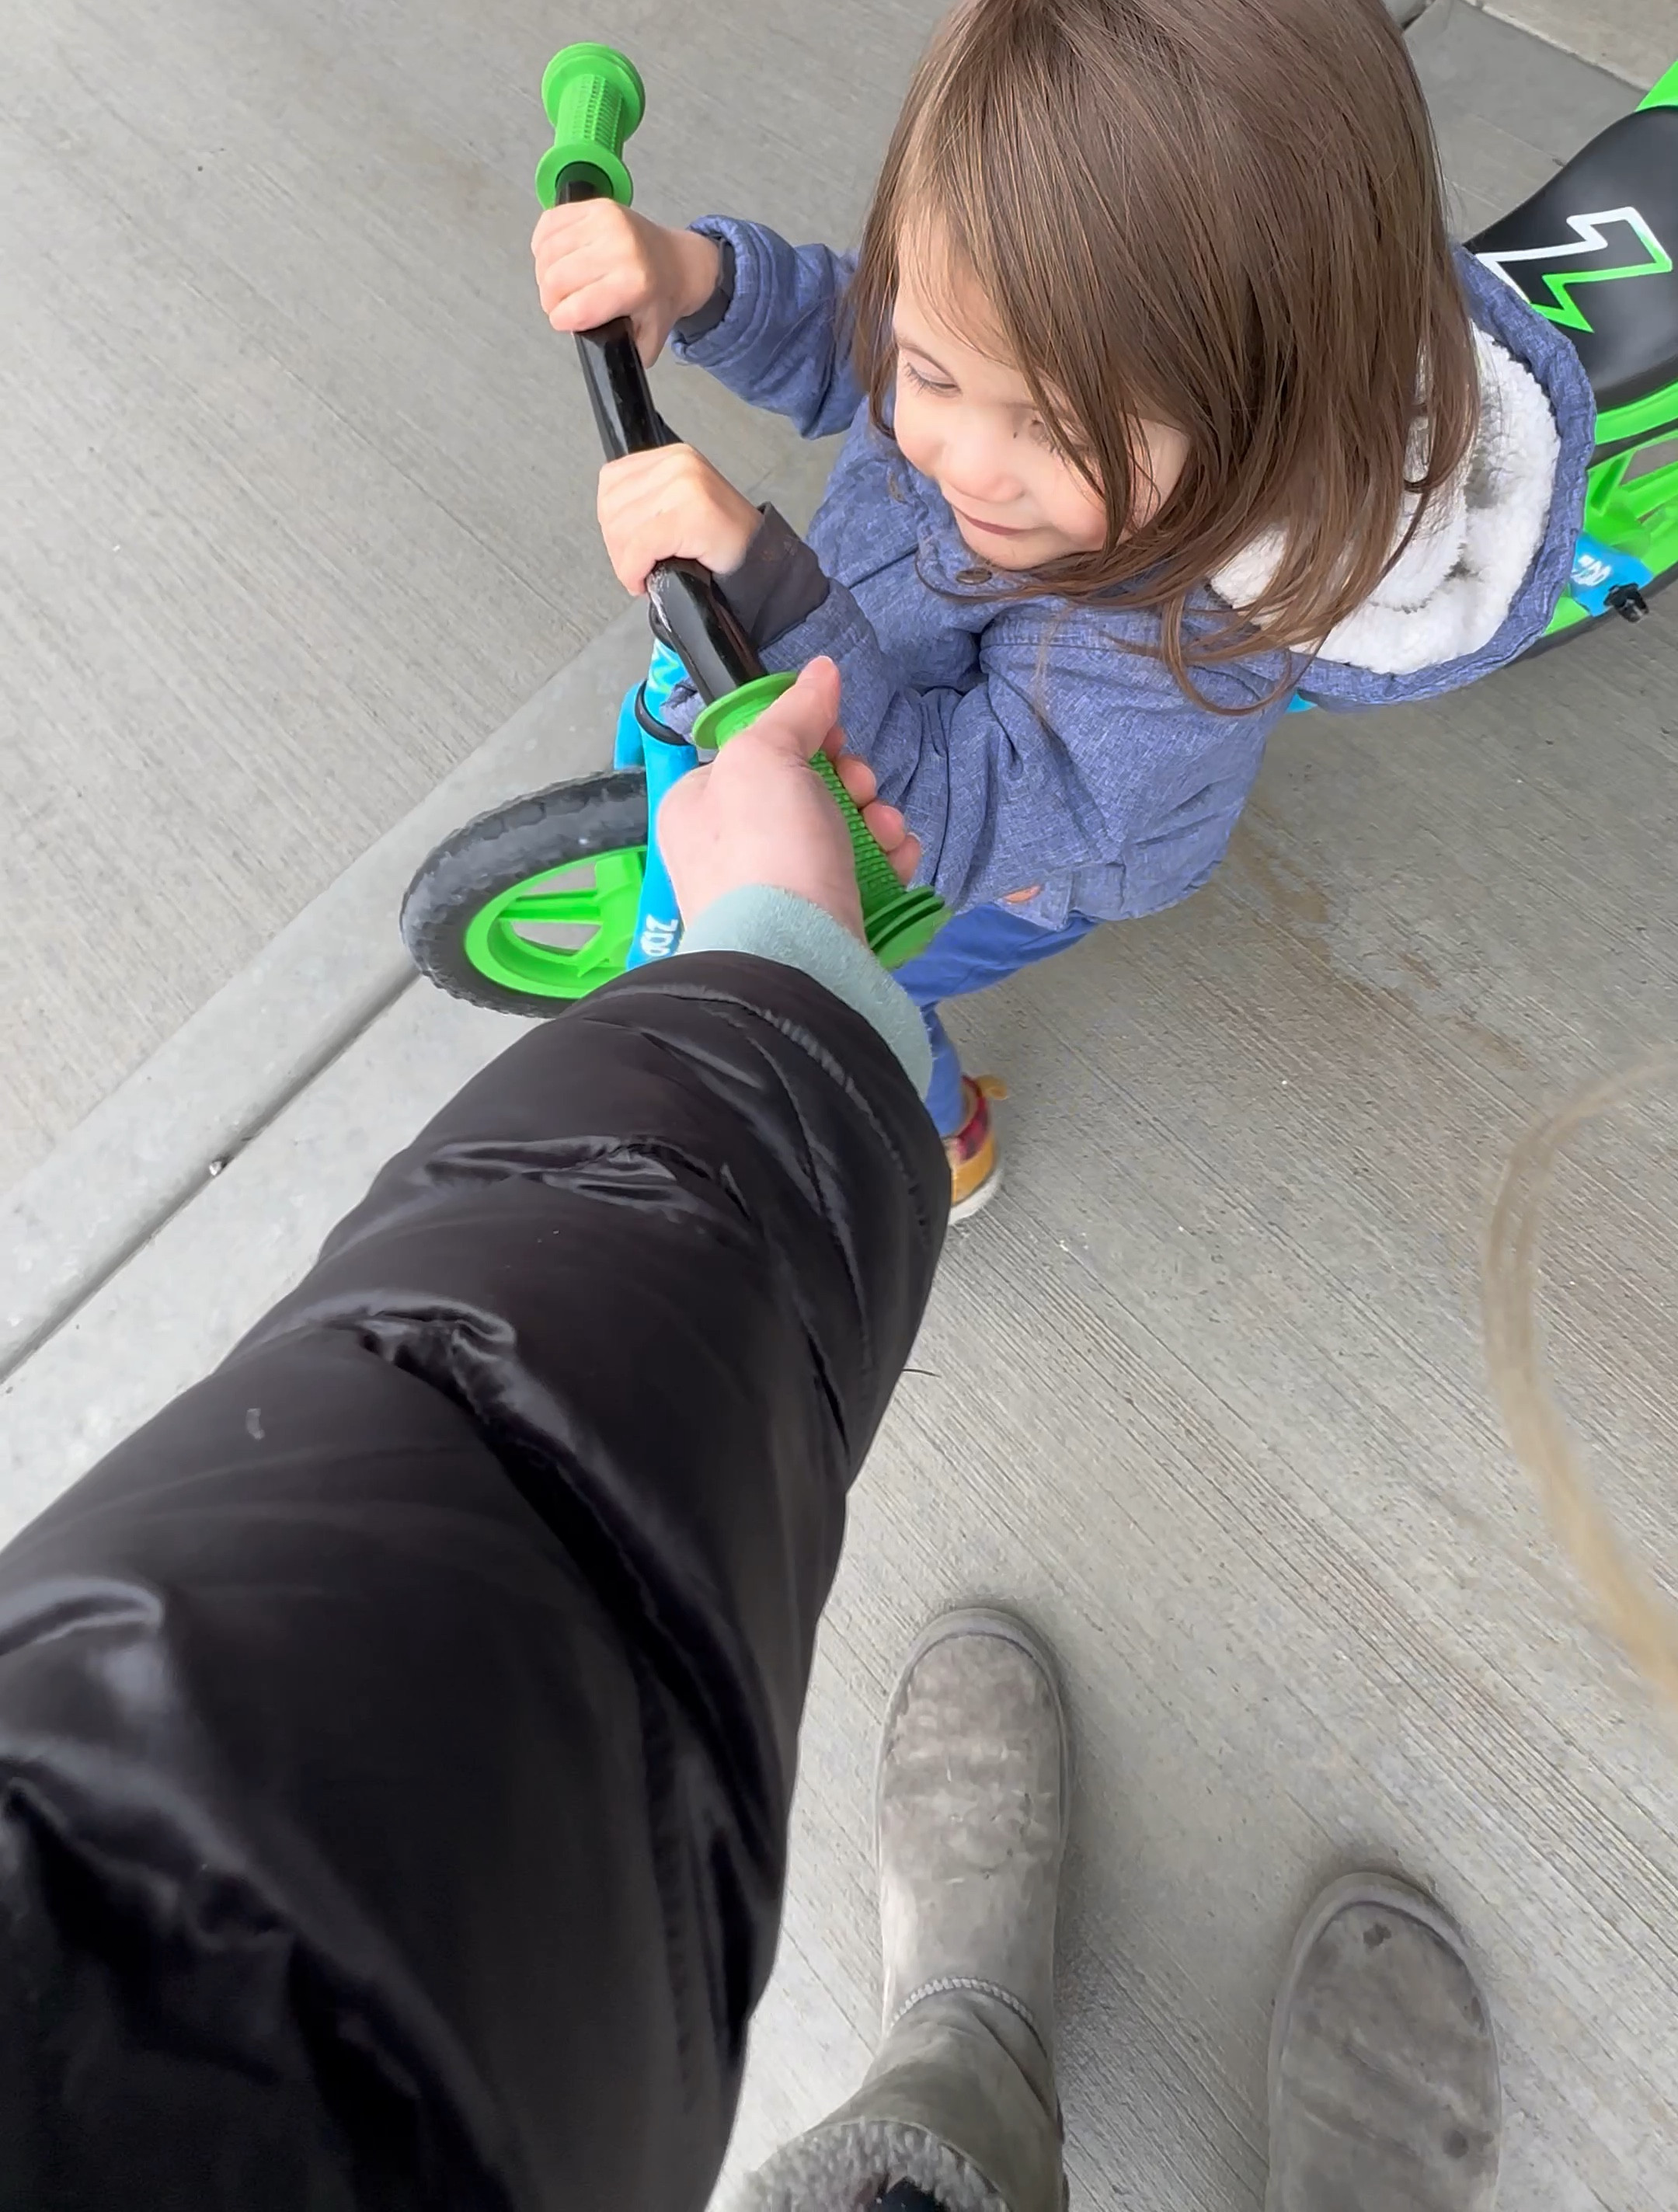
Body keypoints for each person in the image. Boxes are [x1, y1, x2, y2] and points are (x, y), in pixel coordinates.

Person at [0, 662, 1502, 2210]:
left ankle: (965, 2059)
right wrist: (772, 956)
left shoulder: (1181, 666)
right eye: (924, 395)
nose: (956, 454)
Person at [533, 0, 1593, 1208]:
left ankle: (937, 1127)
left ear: (1259, 411)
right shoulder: (1010, 342)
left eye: (1057, 426)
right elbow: (852, 336)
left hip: (1005, 860)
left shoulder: (1183, 646)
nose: (964, 459)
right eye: (938, 371)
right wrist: (696, 280)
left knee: (862, 977)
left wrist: (768, 588)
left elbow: (950, 812)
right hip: (867, 678)